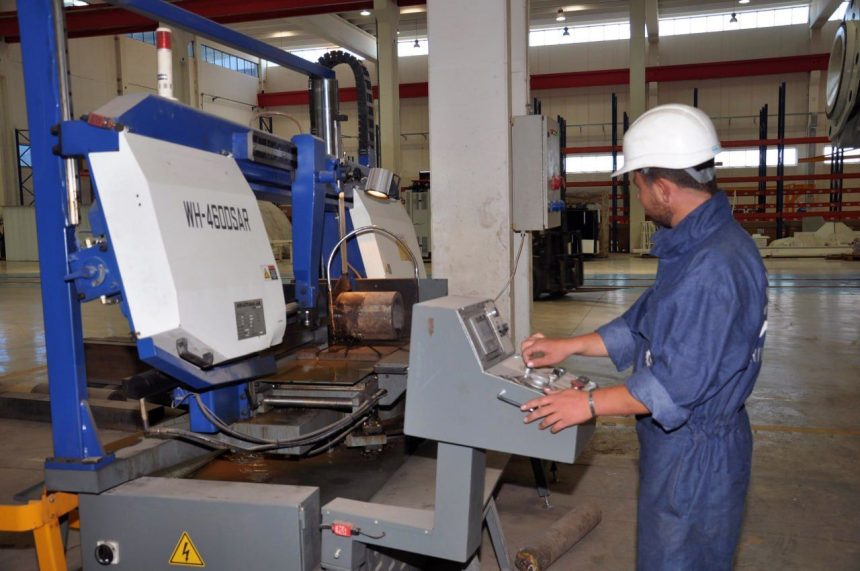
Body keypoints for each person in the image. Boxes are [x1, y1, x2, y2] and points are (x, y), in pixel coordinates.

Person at [520, 104, 768, 570]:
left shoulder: (713, 266)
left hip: (696, 455)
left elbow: (676, 385)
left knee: (679, 559)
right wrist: (570, 345)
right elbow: (645, 322)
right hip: (683, 447)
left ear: (662, 188)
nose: (639, 197)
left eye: (637, 186)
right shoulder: (698, 245)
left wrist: (587, 404)